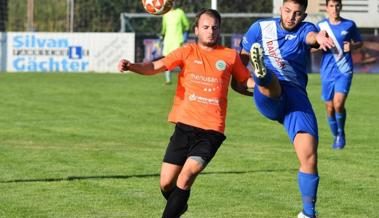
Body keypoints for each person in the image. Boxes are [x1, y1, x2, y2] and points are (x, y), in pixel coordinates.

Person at [119, 9, 254, 217]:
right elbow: (156, 66)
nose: (211, 31)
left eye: (215, 28)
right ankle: (179, 205)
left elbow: (245, 81)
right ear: (197, 29)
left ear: (219, 30)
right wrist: (132, 66)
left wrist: (264, 87)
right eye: (206, 27)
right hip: (184, 127)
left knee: (186, 176)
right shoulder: (187, 51)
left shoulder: (229, 56)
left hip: (211, 131)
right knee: (166, 183)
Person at [239, 0, 335, 217]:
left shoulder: (306, 29)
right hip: (267, 93)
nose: (292, 16)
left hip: (296, 97)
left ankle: (308, 213)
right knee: (272, 84)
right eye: (288, 11)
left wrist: (319, 38)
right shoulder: (260, 28)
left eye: (298, 13)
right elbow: (239, 66)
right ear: (281, 9)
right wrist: (246, 84)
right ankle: (262, 73)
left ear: (303, 15)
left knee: (309, 155)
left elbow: (311, 37)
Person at [316, 0, 363, 149]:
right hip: (327, 71)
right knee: (329, 107)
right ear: (327, 8)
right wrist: (319, 45)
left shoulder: (349, 25)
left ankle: (341, 134)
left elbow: (359, 42)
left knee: (338, 104)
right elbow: (311, 48)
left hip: (344, 70)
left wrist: (353, 46)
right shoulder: (321, 26)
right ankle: (335, 135)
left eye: (337, 6)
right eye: (331, 6)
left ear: (340, 7)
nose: (335, 9)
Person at [161, 5, 190, 84]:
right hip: (168, 42)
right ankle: (168, 80)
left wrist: (185, 36)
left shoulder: (180, 12)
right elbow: (164, 28)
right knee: (167, 61)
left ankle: (187, 78)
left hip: (178, 41)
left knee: (181, 61)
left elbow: (187, 25)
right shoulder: (165, 14)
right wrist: (162, 36)